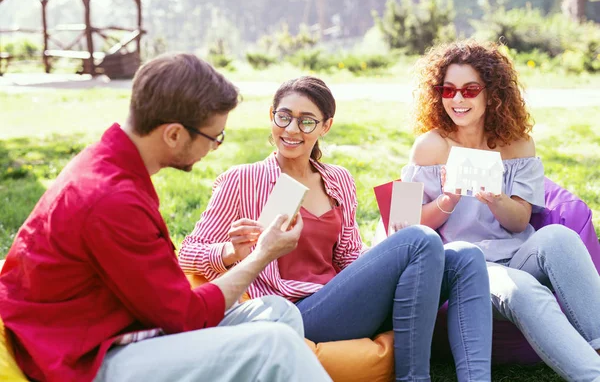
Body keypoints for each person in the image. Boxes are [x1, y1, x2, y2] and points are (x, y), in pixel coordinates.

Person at [0, 54, 332, 382]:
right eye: (213, 137)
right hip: (83, 358)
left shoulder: (111, 162)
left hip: (118, 325)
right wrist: (263, 255)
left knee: (277, 312)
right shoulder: (111, 199)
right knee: (274, 345)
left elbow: (170, 300)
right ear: (173, 134)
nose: (215, 147)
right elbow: (186, 316)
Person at [179, 76, 493, 382]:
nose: (291, 129)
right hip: (297, 312)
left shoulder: (338, 180)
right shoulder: (242, 180)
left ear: (325, 126)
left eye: (306, 121)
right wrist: (231, 251)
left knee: (465, 256)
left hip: (344, 303)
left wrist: (391, 252)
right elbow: (188, 254)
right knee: (420, 239)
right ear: (271, 117)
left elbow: (348, 259)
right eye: (284, 117)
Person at [402, 39, 600, 381]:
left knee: (559, 236)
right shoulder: (428, 147)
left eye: (469, 89)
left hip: (517, 252)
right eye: (448, 90)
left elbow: (520, 221)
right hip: (465, 265)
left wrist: (496, 199)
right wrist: (447, 200)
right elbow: (401, 223)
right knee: (521, 288)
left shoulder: (518, 145)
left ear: (492, 94)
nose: (458, 99)